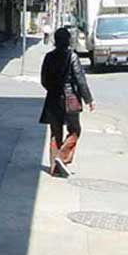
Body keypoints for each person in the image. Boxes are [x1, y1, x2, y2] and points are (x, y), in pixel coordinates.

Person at [39, 27, 94, 177]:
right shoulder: (72, 57)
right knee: (75, 130)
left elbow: (44, 79)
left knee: (55, 132)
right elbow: (80, 80)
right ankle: (62, 157)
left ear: (55, 40)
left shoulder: (49, 57)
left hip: (53, 98)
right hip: (70, 99)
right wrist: (89, 99)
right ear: (68, 40)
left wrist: (53, 89)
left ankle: (54, 168)